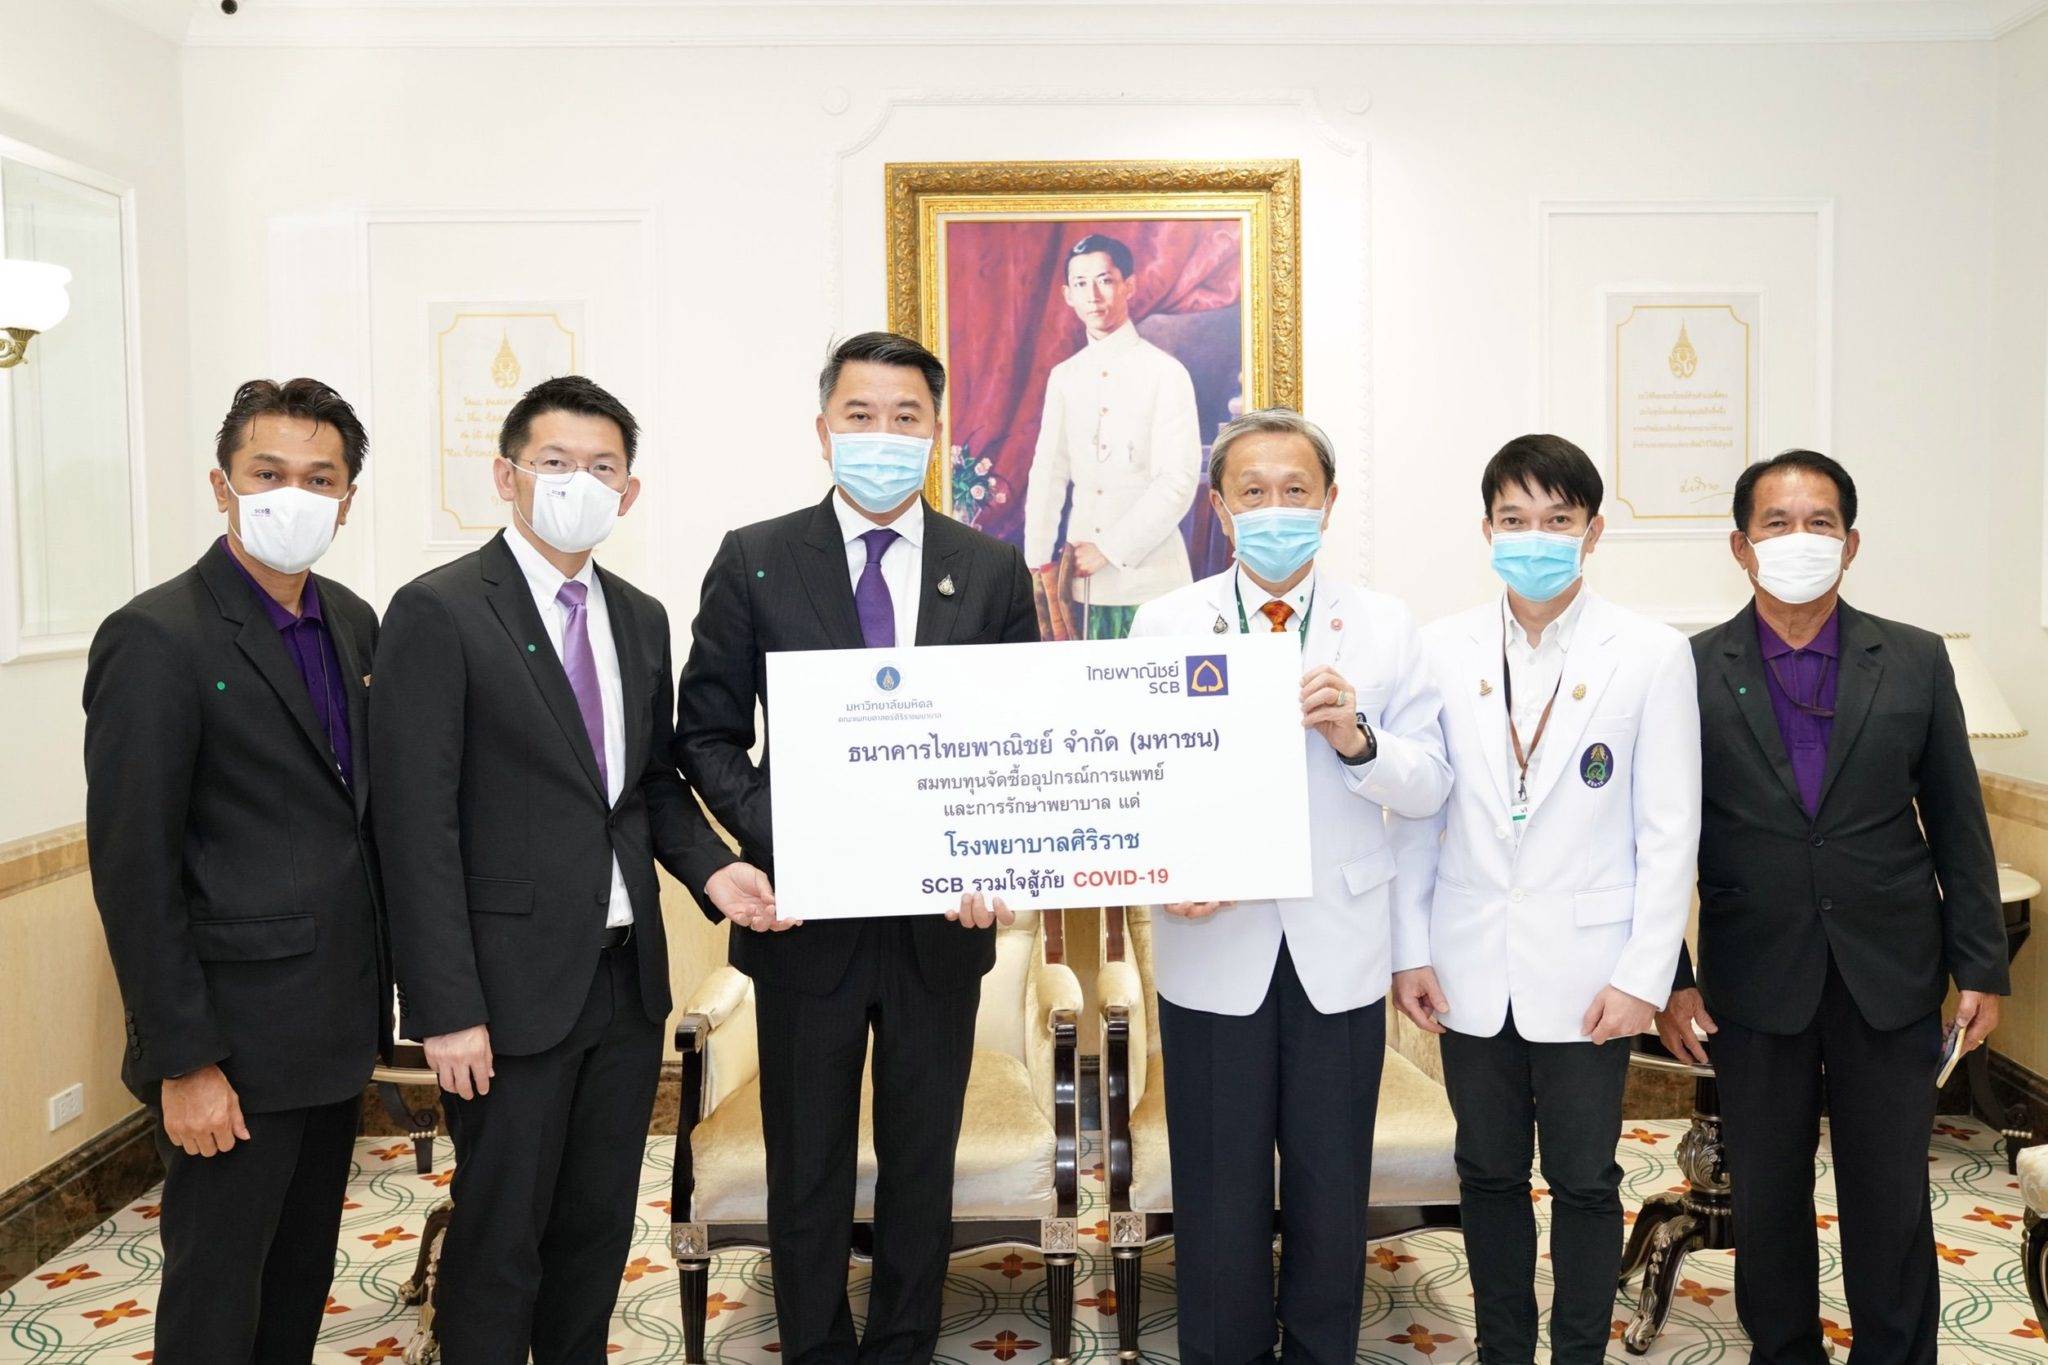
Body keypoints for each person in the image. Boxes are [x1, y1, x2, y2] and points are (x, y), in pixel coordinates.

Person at [371, 375, 776, 1364]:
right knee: (500, 1237)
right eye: (555, 463)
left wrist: (714, 872)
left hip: (622, 983)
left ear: (628, 493)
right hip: (503, 993)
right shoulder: (438, 610)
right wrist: (444, 1008)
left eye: (602, 468)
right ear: (506, 475)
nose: (577, 484)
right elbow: (414, 828)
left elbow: (644, 786)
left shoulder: (638, 616)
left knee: (594, 1233)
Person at [677, 331, 1038, 1364]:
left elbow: (1021, 740)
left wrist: (991, 856)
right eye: (860, 415)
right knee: (807, 1170)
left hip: (939, 928)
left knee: (921, 1165)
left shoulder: (988, 568)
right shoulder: (754, 556)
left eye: (905, 416)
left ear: (935, 432)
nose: (882, 435)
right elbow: (705, 735)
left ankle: (903, 1347)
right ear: (823, 429)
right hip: (804, 923)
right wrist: (791, 831)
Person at [1654, 450, 2009, 1365]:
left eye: (1820, 522)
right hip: (1754, 974)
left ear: (1851, 544)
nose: (1799, 538)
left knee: (1890, 1198)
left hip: (1889, 971)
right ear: (1740, 546)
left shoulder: (1917, 659)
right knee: (1767, 1199)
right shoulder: (1687, 669)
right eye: (1776, 522)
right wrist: (1672, 977)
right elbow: (1657, 840)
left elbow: (1959, 823)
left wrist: (1982, 965)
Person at [1127, 408, 1450, 1364]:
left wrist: (1359, 738)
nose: (1276, 508)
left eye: (1295, 490)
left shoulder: (1384, 624)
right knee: (1216, 1191)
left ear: (1329, 501)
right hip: (1209, 946)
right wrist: (1167, 870)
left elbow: (1431, 783)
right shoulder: (1165, 623)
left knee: (1330, 1190)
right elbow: (1133, 785)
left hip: (1337, 948)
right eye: (1253, 491)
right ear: (1220, 507)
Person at [83, 378, 385, 1361]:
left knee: (296, 1287)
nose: (294, 495)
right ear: (223, 486)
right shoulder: (157, 636)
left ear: (346, 499)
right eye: (268, 473)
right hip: (231, 1048)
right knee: (216, 1301)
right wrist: (184, 1061)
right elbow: (134, 869)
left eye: (319, 478)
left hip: (332, 1032)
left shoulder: (352, 621)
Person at [1388, 434, 1700, 1365]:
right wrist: (1410, 949)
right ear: (1487, 530)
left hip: (1591, 973)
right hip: (1468, 963)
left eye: (1558, 519)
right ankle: (1503, 1349)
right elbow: (1416, 816)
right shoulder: (1438, 648)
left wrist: (1644, 976)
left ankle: (1577, 1354)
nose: (1536, 536)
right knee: (1486, 1174)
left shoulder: (1650, 653)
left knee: (1584, 1179)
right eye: (1515, 518)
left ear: (1593, 531)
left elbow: (1668, 831)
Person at [1022, 232, 1201, 639]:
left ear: (1128, 286)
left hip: (1152, 580)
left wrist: (1109, 548)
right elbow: (1049, 472)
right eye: (1081, 283)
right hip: (1080, 584)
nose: (1093, 295)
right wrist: (1037, 561)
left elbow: (1177, 481)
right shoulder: (1065, 376)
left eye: (1105, 280)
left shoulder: (1165, 373)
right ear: (1068, 295)